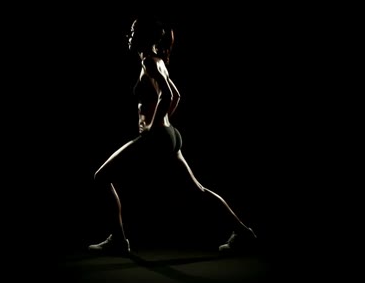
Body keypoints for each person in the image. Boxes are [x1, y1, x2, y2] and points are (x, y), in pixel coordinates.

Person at [87, 16, 257, 255]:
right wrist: (163, 127)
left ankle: (118, 240)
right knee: (196, 190)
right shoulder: (158, 61)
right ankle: (243, 233)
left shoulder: (148, 60)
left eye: (134, 31)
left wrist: (153, 130)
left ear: (145, 37)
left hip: (157, 137)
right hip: (168, 135)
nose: (129, 35)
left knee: (101, 177)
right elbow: (176, 96)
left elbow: (167, 96)